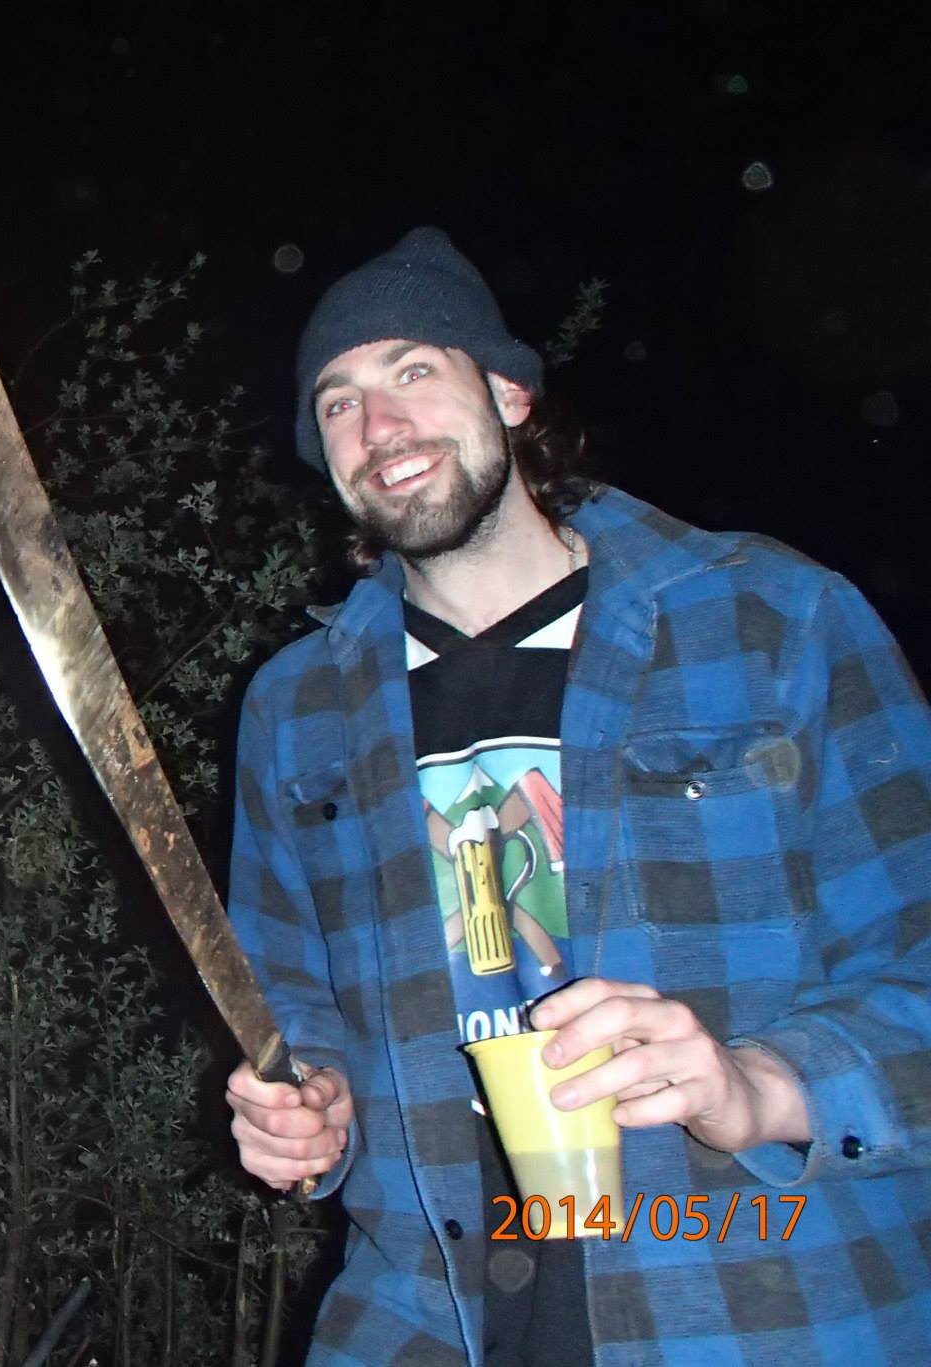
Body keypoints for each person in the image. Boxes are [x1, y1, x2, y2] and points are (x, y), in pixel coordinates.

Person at [222, 226, 931, 1362]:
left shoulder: (769, 619)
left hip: (759, 1297)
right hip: (425, 1316)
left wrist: (757, 1085)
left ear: (508, 394)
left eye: (413, 370)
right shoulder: (296, 706)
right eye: (337, 401)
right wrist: (309, 1107)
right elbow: (293, 999)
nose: (378, 424)